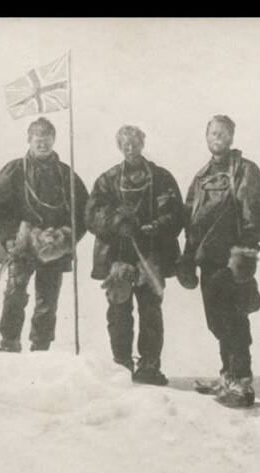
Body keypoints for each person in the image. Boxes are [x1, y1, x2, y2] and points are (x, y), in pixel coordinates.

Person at [177, 115, 260, 407]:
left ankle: (242, 382)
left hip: (233, 260)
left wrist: (245, 250)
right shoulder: (202, 176)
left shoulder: (245, 171)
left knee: (234, 320)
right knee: (217, 321)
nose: (217, 137)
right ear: (206, 137)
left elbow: (253, 211)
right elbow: (190, 219)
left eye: (223, 133)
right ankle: (227, 376)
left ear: (232, 137)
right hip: (207, 260)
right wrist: (187, 256)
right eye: (212, 133)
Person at [85, 125, 184, 384]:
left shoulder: (161, 177)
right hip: (117, 256)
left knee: (151, 310)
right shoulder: (107, 180)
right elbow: (91, 214)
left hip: (151, 254)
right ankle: (121, 364)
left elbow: (176, 213)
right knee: (118, 310)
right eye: (125, 144)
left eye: (135, 143)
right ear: (119, 147)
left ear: (143, 143)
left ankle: (150, 365)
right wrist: (116, 221)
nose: (130, 148)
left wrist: (154, 227)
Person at [0, 117, 89, 352]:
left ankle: (41, 346)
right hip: (20, 246)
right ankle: (9, 342)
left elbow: (84, 213)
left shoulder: (65, 174)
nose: (43, 144)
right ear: (29, 140)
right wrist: (12, 235)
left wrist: (66, 235)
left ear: (54, 140)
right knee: (14, 292)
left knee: (47, 299)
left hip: (53, 247)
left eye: (47, 139)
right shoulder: (14, 171)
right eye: (38, 139)